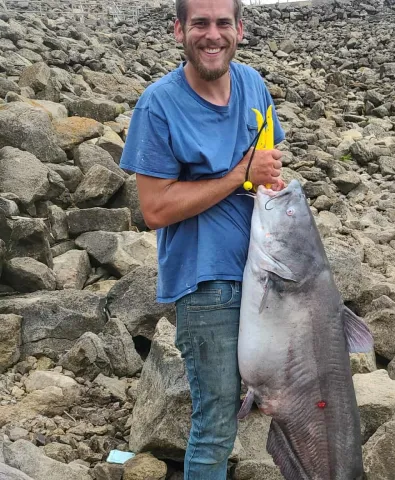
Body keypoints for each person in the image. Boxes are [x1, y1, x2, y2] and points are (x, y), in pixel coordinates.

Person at [120, 0, 285, 478]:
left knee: (281, 405)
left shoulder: (253, 85)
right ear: (179, 30)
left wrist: (268, 184)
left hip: (268, 275)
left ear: (240, 29)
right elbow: (154, 210)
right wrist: (239, 174)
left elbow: (268, 168)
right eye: (200, 23)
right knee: (215, 425)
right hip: (207, 283)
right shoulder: (158, 104)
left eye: (222, 23)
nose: (212, 35)